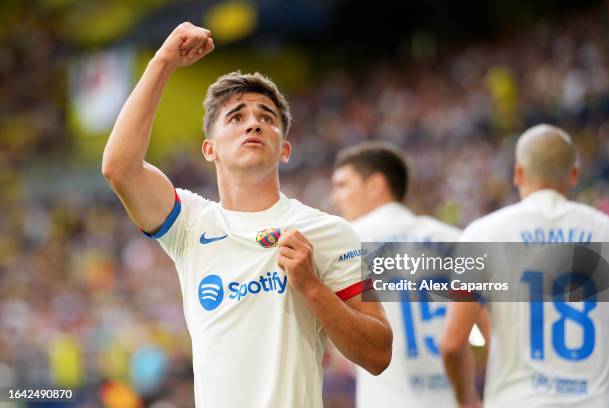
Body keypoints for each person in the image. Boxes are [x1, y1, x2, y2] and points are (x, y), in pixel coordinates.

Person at [101, 22, 392, 408]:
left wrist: (311, 287)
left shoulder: (329, 232)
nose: (254, 123)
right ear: (210, 149)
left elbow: (379, 354)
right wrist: (163, 61)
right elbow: (119, 168)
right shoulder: (190, 224)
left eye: (267, 117)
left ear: (284, 150)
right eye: (236, 117)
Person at [441, 124, 609, 407]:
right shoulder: (606, 231)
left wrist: (466, 399)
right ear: (574, 175)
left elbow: (453, 343)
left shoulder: (484, 233)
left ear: (518, 173)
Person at [331, 142, 487, 408]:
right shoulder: (457, 240)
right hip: (451, 399)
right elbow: (487, 329)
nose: (336, 197)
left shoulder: (343, 242)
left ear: (375, 185)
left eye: (343, 185)